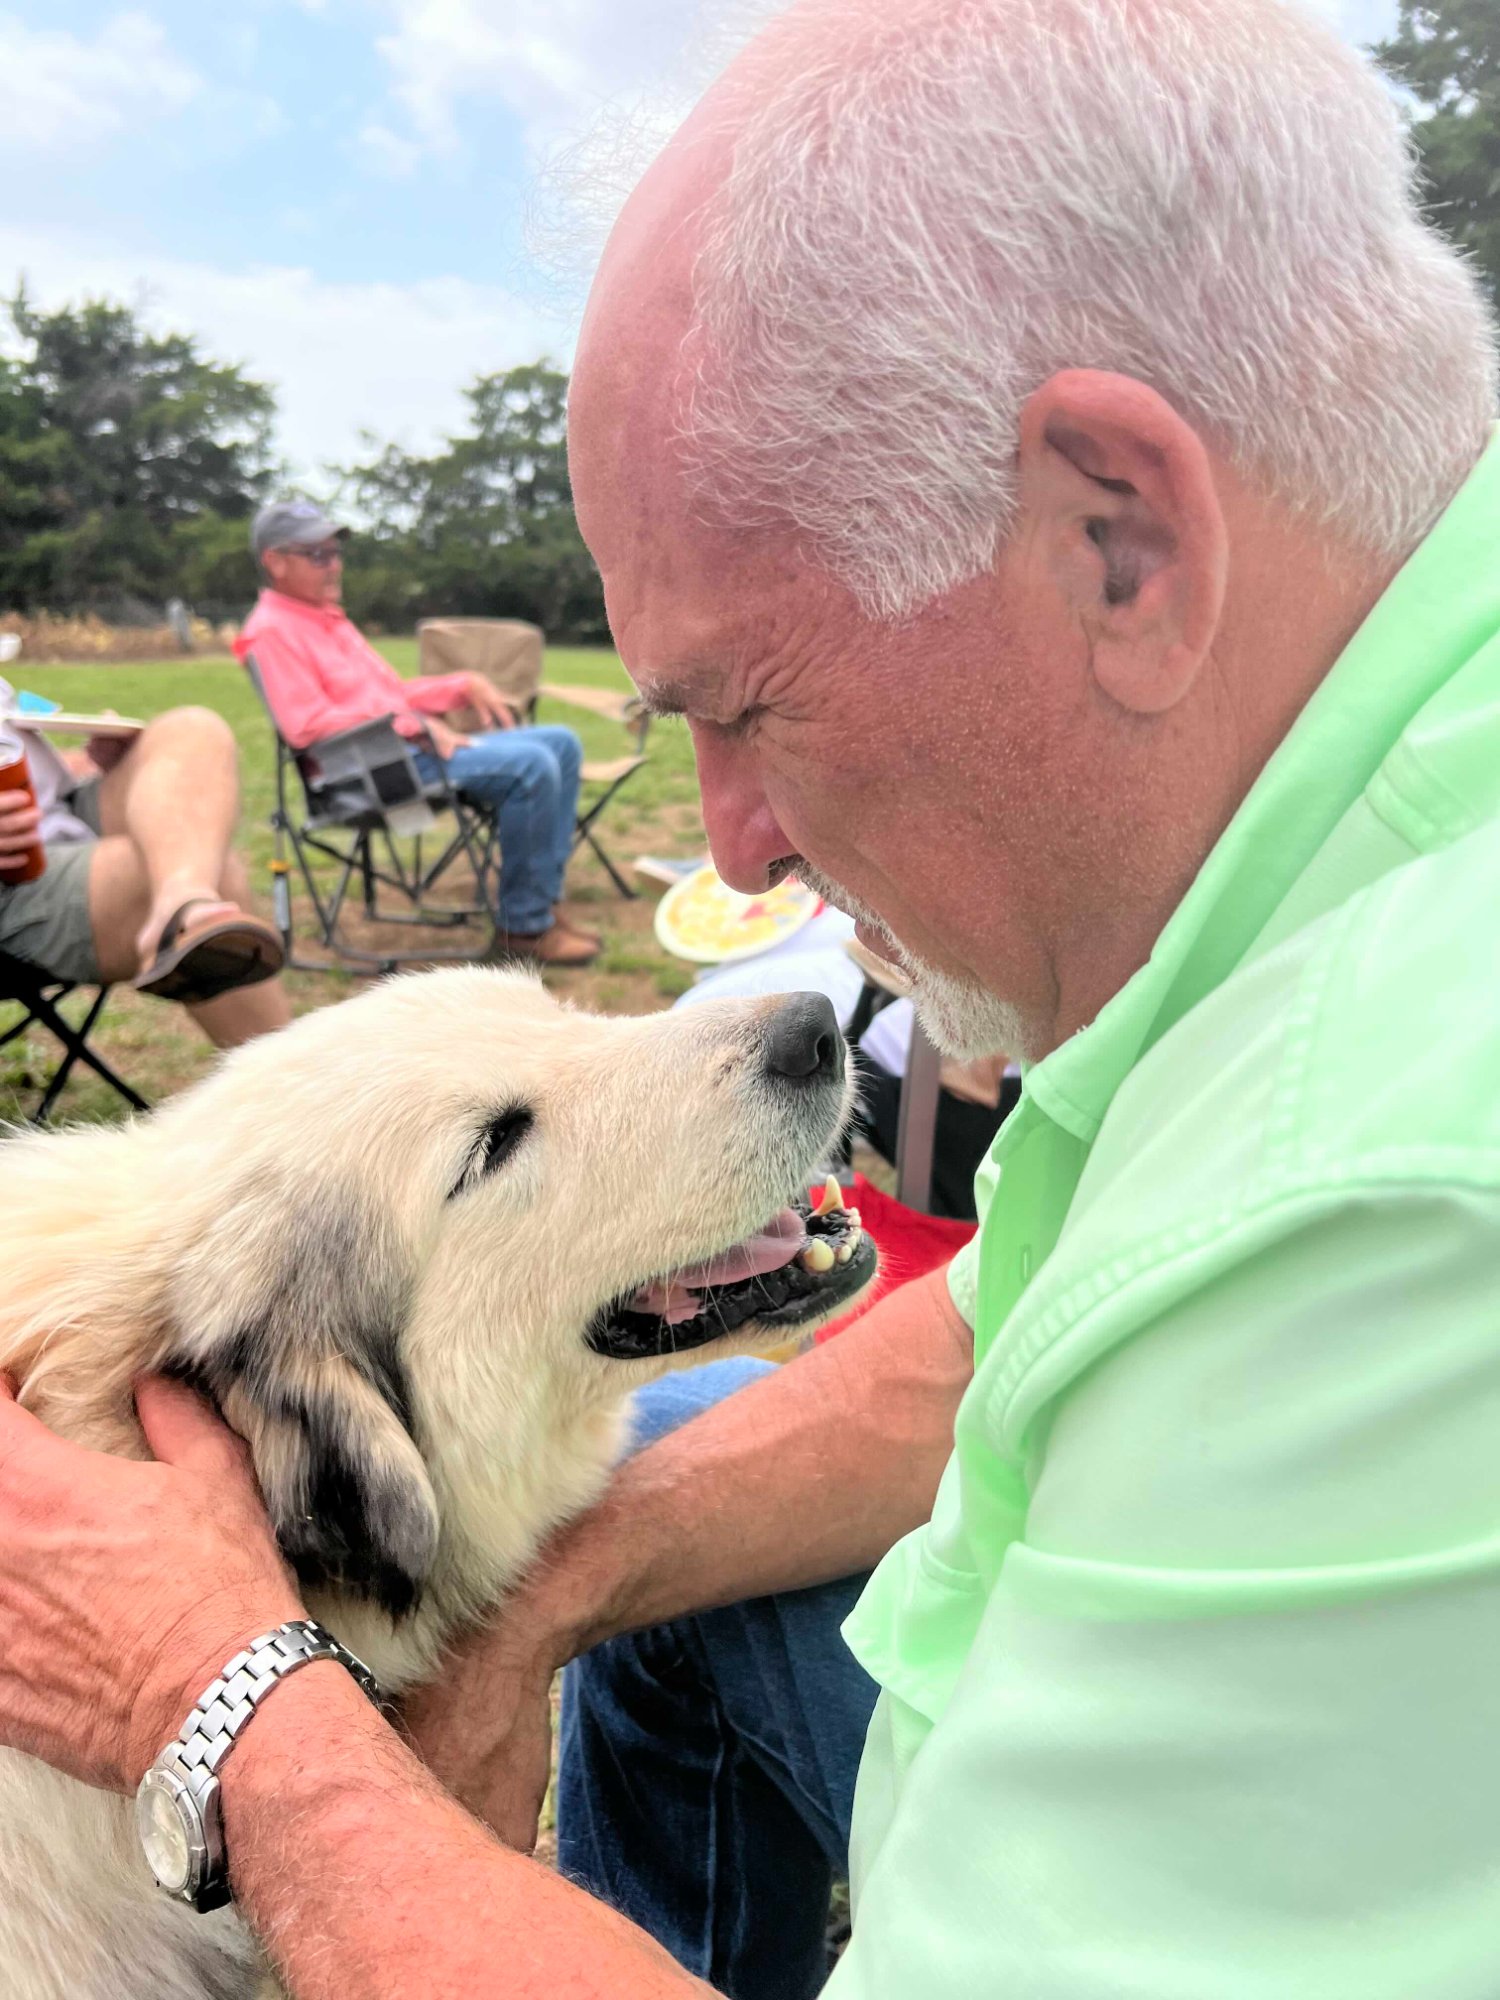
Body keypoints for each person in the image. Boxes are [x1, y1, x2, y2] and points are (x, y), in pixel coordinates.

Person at [3, 0, 1500, 1995]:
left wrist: (242, 1720)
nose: (736, 846)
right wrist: (557, 1589)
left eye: (747, 701)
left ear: (1120, 538)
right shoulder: (1358, 835)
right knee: (695, 1444)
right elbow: (1005, 1326)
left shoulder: (1392, 1189)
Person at [237, 499, 601, 965]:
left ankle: (543, 905)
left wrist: (461, 685)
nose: (334, 565)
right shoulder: (272, 631)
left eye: (335, 552)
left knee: (561, 744)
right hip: (368, 774)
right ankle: (525, 931)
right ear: (275, 562)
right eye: (318, 555)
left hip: (405, 752)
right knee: (532, 767)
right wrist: (409, 723)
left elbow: (391, 694)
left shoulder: (327, 619)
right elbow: (305, 726)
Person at [0, 683, 290, 1047]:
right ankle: (300, 1094)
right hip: (16, 879)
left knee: (193, 729)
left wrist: (79, 762)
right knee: (208, 875)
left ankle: (184, 897)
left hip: (56, 811)